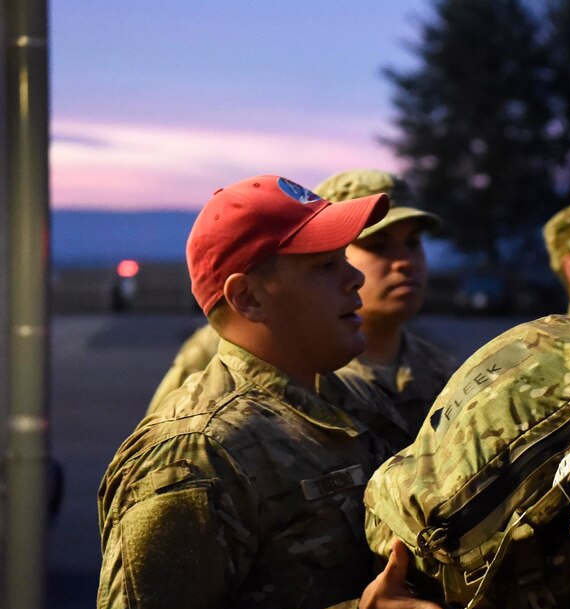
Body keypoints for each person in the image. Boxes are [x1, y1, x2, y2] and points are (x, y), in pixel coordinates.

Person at [95, 175, 500, 609]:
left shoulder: (354, 399)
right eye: (325, 266)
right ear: (249, 297)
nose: (355, 277)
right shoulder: (196, 451)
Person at [145, 170, 458, 434]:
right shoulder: (202, 437)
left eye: (414, 243)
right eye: (326, 263)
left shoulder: (439, 373)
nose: (404, 262)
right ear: (249, 297)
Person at [315, 169, 459, 432]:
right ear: (330, 257)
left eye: (413, 242)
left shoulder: (449, 377)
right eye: (379, 246)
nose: (405, 262)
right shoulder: (306, 379)